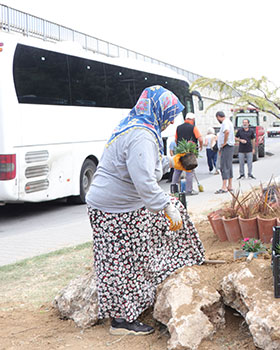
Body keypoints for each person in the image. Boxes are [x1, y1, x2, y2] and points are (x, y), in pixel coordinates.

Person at [85, 85, 206, 335]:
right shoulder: (140, 134)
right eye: (170, 114)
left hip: (121, 207)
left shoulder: (137, 126)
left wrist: (170, 162)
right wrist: (166, 207)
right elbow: (144, 181)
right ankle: (121, 321)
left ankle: (138, 300)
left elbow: (144, 166)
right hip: (112, 210)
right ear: (158, 110)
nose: (171, 120)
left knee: (134, 256)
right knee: (120, 262)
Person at [172, 114, 204, 195]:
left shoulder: (178, 127)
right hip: (189, 153)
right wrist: (200, 146)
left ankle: (173, 189)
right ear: (192, 120)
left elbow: (176, 140)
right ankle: (188, 190)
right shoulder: (193, 127)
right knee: (189, 170)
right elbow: (200, 138)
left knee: (177, 170)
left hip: (180, 152)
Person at [215, 111, 235, 193]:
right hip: (229, 146)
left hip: (226, 146)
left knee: (224, 166)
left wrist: (224, 142)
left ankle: (224, 186)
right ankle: (229, 185)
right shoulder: (228, 122)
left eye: (217, 118)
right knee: (229, 165)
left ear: (218, 117)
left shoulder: (225, 123)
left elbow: (226, 131)